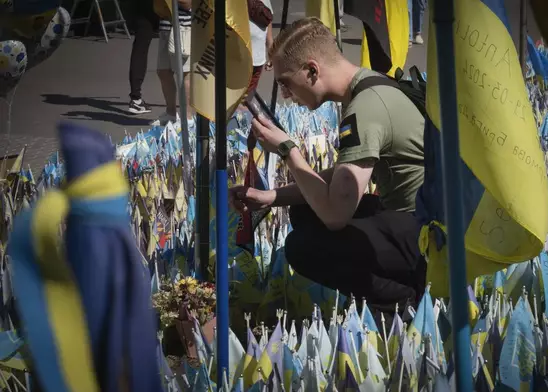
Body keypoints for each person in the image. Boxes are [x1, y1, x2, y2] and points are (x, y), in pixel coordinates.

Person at [230, 17, 427, 314]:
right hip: (420, 218)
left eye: (286, 83)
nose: (286, 95)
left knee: (302, 247)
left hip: (429, 234)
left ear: (312, 70)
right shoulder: (368, 87)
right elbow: (345, 173)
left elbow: (336, 214)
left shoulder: (366, 107)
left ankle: (397, 299)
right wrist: (273, 197)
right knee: (305, 207)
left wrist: (288, 150)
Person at [151, 0, 193, 127]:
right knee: (163, 71)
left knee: (185, 75)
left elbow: (188, 3)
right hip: (166, 27)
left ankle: (188, 118)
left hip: (182, 28)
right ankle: (170, 113)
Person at [127, 0, 158, 114]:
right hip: (151, 9)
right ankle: (135, 99)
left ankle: (135, 98)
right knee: (141, 51)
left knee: (139, 50)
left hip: (138, 9)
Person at [247, 0, 274, 96]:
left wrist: (272, 54)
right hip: (235, 61)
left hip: (256, 61)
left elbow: (268, 29)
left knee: (247, 99)